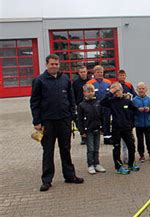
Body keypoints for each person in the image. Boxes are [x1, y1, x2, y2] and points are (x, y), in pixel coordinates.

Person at [30, 54, 84, 192]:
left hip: (64, 120)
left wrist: (72, 115)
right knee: (48, 151)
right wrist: (37, 121)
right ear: (46, 65)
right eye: (52, 64)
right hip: (47, 122)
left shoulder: (65, 78)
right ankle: (47, 180)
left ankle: (70, 176)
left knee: (65, 149)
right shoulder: (39, 80)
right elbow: (34, 102)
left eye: (56, 64)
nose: (54, 66)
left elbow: (71, 98)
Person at [100, 82, 140, 174]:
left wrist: (131, 124)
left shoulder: (127, 101)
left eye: (118, 90)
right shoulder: (111, 101)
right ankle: (119, 167)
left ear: (122, 90)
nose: (117, 92)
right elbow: (102, 102)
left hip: (126, 128)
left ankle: (131, 164)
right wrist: (110, 93)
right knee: (117, 148)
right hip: (116, 129)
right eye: (115, 91)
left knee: (131, 146)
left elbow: (135, 111)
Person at [77, 84, 106, 175]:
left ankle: (97, 163)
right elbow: (80, 120)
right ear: (84, 93)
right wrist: (82, 131)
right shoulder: (81, 105)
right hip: (88, 130)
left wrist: (102, 128)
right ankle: (90, 165)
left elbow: (102, 116)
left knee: (97, 148)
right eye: (88, 91)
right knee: (91, 149)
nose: (90, 93)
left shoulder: (98, 102)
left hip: (97, 129)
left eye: (92, 91)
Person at [87, 65, 112, 144]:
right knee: (95, 123)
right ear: (94, 73)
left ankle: (107, 138)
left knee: (106, 122)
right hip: (95, 107)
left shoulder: (108, 82)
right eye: (98, 72)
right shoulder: (90, 83)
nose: (99, 74)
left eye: (101, 72)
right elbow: (86, 95)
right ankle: (94, 140)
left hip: (106, 106)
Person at [133, 82, 150, 162]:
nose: (141, 90)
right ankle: (141, 155)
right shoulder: (134, 100)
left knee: (149, 140)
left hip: (147, 124)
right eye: (139, 88)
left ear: (146, 89)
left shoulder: (149, 99)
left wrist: (149, 109)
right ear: (137, 89)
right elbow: (132, 110)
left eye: (143, 88)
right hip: (138, 124)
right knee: (140, 140)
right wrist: (137, 110)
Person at [72, 65, 90, 145]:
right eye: (81, 72)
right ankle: (83, 137)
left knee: (89, 120)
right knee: (79, 121)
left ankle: (90, 136)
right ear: (79, 73)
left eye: (84, 72)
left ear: (87, 72)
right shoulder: (75, 83)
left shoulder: (90, 81)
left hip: (90, 104)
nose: (83, 73)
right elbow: (73, 94)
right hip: (79, 105)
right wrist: (74, 104)